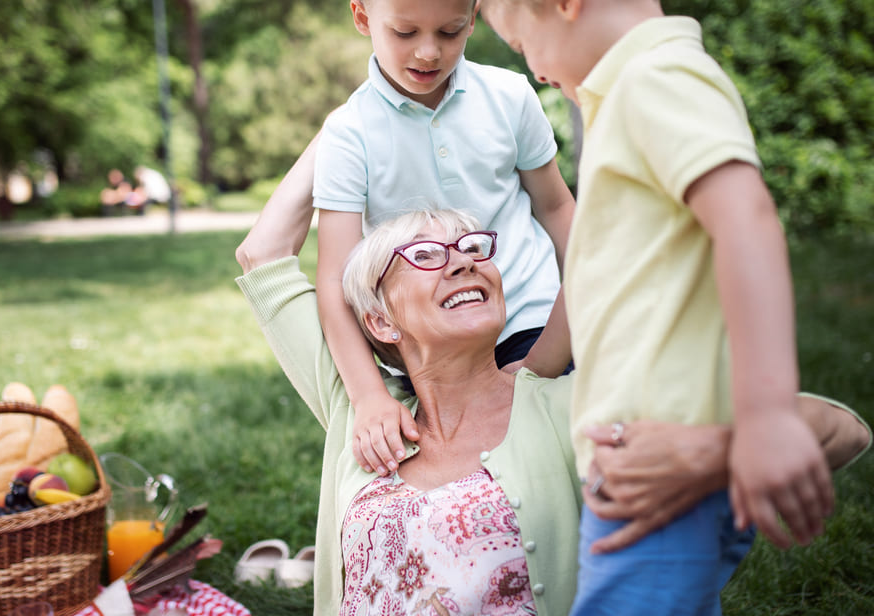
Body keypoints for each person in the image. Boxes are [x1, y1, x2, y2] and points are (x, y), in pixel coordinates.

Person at [235, 208, 871, 616]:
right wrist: (364, 111)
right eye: (425, 255)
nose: (462, 258)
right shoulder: (362, 411)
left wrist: (722, 449)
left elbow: (841, 429)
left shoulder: (568, 411)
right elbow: (263, 251)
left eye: (473, 248)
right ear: (377, 320)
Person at [478, 1, 843, 613]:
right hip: (644, 466)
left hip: (660, 471)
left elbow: (746, 221)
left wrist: (766, 415)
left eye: (522, 43)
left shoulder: (656, 78)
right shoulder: (629, 93)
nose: (534, 69)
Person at [236, 0, 576, 480]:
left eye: (450, 32)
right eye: (404, 32)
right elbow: (334, 279)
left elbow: (558, 207)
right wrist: (369, 395)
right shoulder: (349, 133)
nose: (428, 52)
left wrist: (548, 355)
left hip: (532, 320)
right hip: (429, 346)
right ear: (361, 17)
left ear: (473, 18)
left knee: (552, 472)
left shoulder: (509, 95)